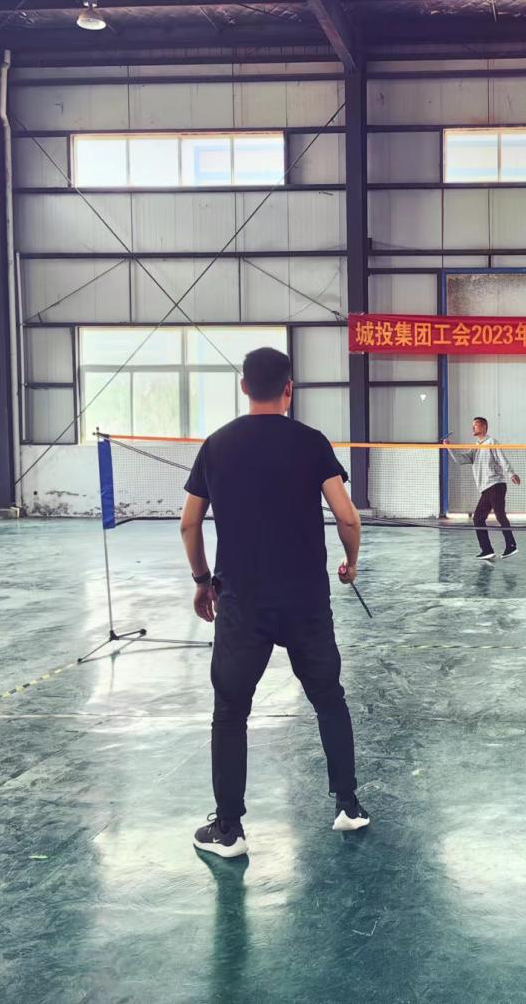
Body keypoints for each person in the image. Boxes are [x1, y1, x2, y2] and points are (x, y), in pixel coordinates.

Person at [179, 346, 369, 859]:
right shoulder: (311, 443)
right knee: (328, 698)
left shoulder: (216, 446)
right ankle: (348, 806)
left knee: (230, 711)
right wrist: (351, 563)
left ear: (244, 387)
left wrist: (202, 580)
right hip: (306, 600)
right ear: (289, 389)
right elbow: (347, 517)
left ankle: (229, 830)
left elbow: (189, 523)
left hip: (243, 603)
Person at [444, 416, 521, 562]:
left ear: (484, 427)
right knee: (478, 518)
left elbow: (502, 458)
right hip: (486, 488)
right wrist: (449, 447)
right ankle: (487, 550)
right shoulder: (475, 447)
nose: (473, 427)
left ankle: (511, 546)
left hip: (496, 484)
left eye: (476, 425)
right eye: (472, 425)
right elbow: (460, 460)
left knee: (500, 515)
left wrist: (511, 473)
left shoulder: (491, 442)